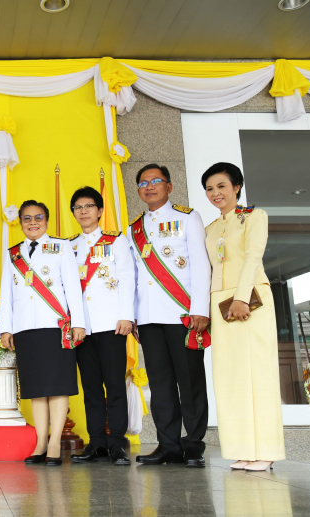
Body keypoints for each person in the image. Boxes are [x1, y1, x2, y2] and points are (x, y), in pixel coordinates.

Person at [202, 162, 285, 472]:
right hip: (219, 305)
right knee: (230, 377)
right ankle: (243, 450)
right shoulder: (210, 228)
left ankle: (266, 449)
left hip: (250, 301)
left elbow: (253, 256)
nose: (215, 193)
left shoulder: (254, 217)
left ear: (236, 187)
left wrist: (240, 298)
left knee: (258, 375)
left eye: (221, 186)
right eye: (209, 188)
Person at [128, 164, 211, 468]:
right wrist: (133, 315)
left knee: (190, 382)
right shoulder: (133, 228)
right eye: (143, 183)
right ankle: (168, 445)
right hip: (149, 318)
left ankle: (194, 444)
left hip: (183, 315)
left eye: (156, 181)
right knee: (160, 384)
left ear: (169, 186)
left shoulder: (188, 218)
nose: (149, 186)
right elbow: (133, 276)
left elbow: (201, 265)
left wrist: (200, 309)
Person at [0, 200, 86, 466]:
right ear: (21, 222)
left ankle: (55, 444)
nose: (32, 222)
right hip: (26, 328)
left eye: (38, 217)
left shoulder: (61, 248)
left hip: (56, 326)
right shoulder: (14, 253)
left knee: (58, 387)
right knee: (36, 389)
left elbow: (73, 287)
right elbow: (7, 293)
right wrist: (6, 328)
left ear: (46, 220)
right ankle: (40, 442)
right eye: (27, 218)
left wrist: (78, 322)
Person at [67, 187, 135, 466]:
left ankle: (118, 443)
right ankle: (96, 442)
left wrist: (127, 316)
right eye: (78, 207)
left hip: (111, 324)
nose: (83, 211)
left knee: (115, 385)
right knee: (91, 387)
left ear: (99, 210)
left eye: (88, 206)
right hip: (82, 327)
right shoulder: (68, 247)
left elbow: (127, 277)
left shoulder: (116, 241)